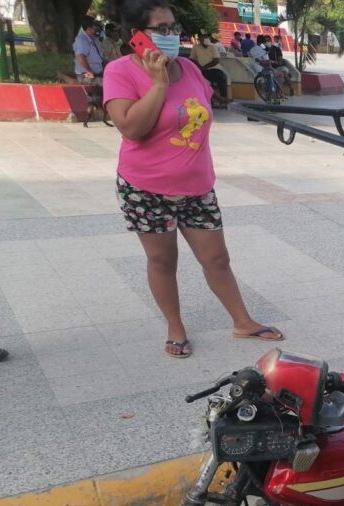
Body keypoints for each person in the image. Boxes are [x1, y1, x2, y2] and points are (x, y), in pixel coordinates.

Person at [102, 0, 282, 358]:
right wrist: (157, 84)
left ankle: (242, 321)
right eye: (161, 29)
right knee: (163, 260)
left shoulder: (189, 68)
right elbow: (131, 128)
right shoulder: (120, 71)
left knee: (217, 258)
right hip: (145, 188)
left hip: (197, 187)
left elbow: (199, 115)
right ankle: (175, 327)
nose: (171, 35)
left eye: (174, 28)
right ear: (137, 35)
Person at [192, 33, 229, 106]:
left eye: (206, 37)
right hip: (202, 70)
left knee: (221, 78)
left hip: (214, 68)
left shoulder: (213, 46)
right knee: (205, 81)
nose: (205, 39)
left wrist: (204, 67)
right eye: (203, 38)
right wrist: (199, 67)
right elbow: (192, 59)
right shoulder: (196, 47)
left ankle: (223, 99)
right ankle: (211, 100)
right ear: (200, 39)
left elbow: (216, 60)